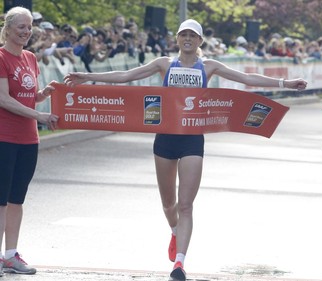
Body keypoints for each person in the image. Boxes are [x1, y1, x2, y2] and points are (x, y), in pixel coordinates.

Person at [64, 19, 307, 281]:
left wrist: (286, 84)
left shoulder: (209, 66)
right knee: (169, 204)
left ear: (200, 41)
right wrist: (87, 77)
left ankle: (179, 264)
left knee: (186, 205)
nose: (188, 39)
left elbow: (246, 78)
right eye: (184, 35)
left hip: (193, 139)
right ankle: (173, 231)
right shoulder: (164, 64)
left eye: (193, 35)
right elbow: (127, 75)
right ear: (177, 39)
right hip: (166, 138)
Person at [0, 6, 59, 276]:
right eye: (21, 27)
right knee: (1, 200)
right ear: (8, 28)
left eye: (29, 27)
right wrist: (39, 115)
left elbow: (28, 95)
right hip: (5, 137)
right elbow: (3, 99)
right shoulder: (1, 57)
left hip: (28, 139)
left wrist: (43, 94)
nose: (26, 31)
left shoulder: (31, 58)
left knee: (16, 199)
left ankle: (11, 255)